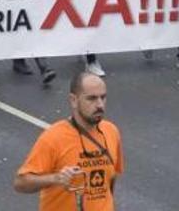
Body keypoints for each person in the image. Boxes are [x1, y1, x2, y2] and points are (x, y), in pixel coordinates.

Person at [14, 72, 123, 211]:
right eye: (92, 98)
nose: (100, 105)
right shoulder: (53, 138)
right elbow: (21, 183)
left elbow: (112, 177)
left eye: (103, 97)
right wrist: (55, 178)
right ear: (74, 100)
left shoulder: (111, 131)